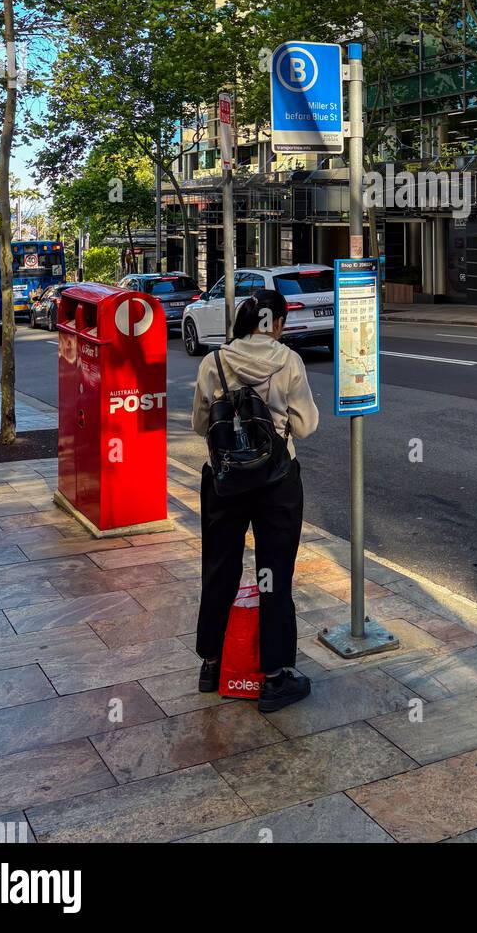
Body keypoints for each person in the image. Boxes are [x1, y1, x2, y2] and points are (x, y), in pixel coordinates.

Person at [191, 289, 319, 712]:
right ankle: (275, 675)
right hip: (276, 482)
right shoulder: (289, 361)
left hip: (224, 479)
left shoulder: (214, 361)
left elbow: (200, 424)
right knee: (274, 574)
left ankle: (212, 663)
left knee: (219, 567)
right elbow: (306, 426)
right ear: (276, 323)